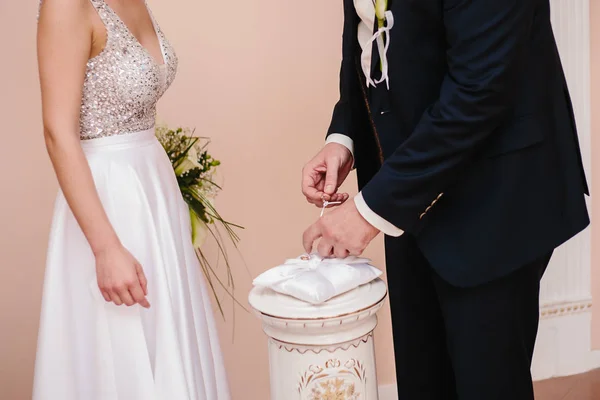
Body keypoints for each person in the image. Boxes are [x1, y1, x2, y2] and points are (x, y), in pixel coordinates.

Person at [301, 0, 589, 399]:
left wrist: (368, 212)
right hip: (407, 196)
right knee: (423, 383)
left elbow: (480, 90)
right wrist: (345, 135)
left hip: (495, 197)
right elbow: (372, 35)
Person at [33, 1, 230, 398]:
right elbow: (58, 132)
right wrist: (105, 247)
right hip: (106, 200)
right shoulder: (67, 5)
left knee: (167, 336)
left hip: (152, 188)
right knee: (119, 347)